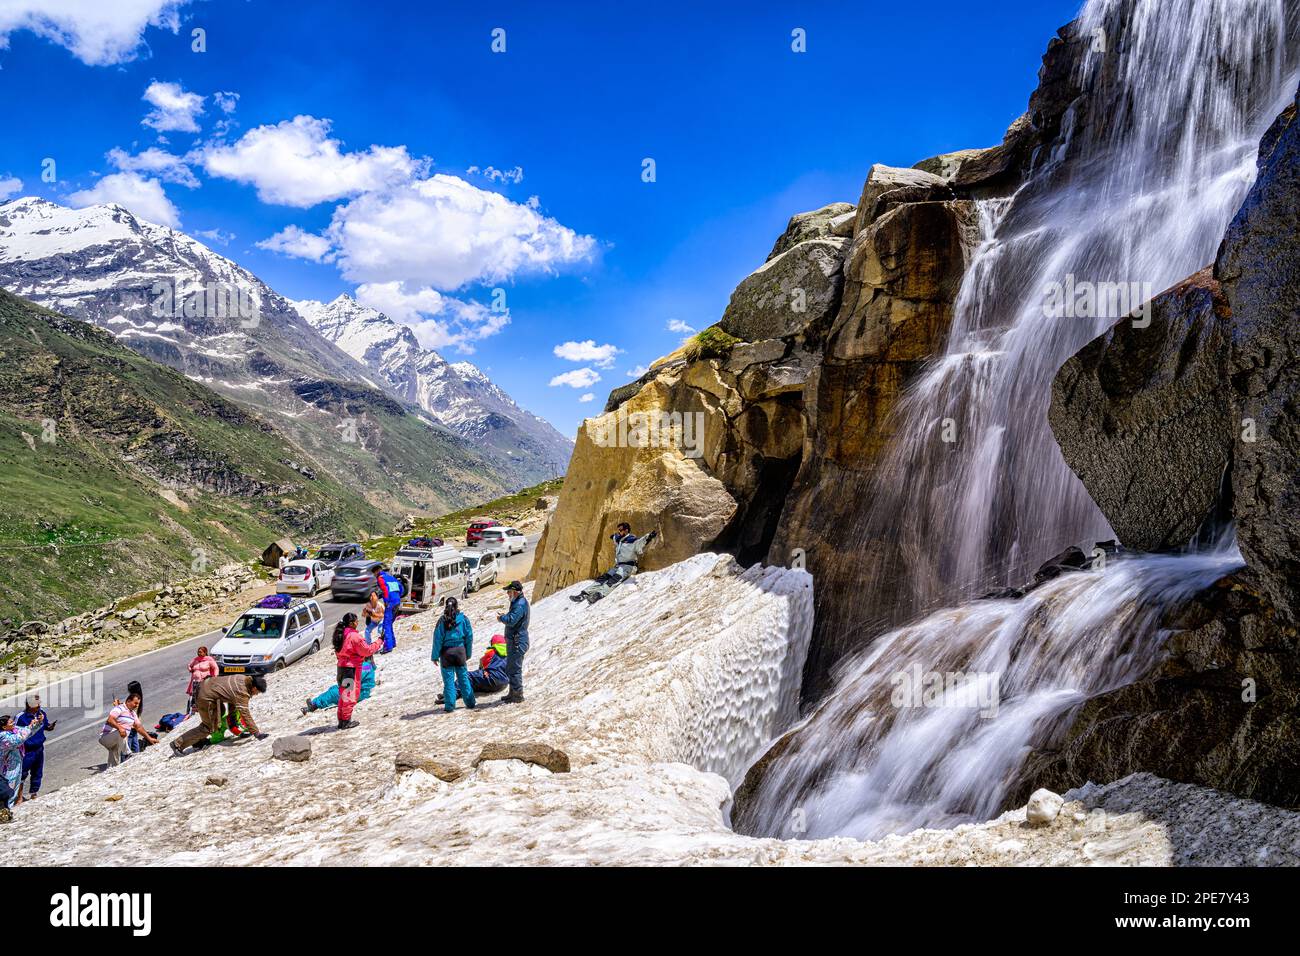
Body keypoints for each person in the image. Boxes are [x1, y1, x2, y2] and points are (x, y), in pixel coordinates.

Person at [171, 675, 267, 754]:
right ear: (254, 687)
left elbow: (232, 700)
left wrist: (232, 718)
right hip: (205, 697)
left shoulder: (242, 678)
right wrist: (257, 733)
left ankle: (197, 741)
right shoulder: (242, 692)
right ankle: (177, 744)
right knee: (208, 727)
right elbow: (245, 713)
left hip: (207, 688)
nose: (256, 694)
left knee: (220, 712)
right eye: (257, 692)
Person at [571, 524, 658, 605]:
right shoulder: (619, 539)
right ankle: (584, 594)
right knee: (603, 578)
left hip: (628, 567)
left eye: (621, 530)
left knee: (615, 579)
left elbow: (642, 541)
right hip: (618, 566)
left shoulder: (632, 540)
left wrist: (649, 536)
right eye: (618, 530)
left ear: (626, 530)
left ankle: (598, 594)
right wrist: (613, 536)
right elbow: (615, 537)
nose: (619, 532)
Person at [332, 613, 380, 730]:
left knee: (343, 695)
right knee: (349, 696)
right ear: (352, 623)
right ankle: (346, 721)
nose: (358, 623)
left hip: (341, 668)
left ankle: (342, 720)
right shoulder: (354, 636)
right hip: (350, 669)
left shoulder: (341, 634)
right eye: (356, 621)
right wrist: (379, 641)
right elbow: (367, 650)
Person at [436, 634, 507, 705]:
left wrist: (482, 667)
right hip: (503, 683)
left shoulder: (492, 651)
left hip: (492, 679)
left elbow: (483, 664)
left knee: (466, 676)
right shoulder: (508, 653)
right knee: (473, 682)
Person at [432, 597, 475, 713]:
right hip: (460, 652)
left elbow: (437, 639)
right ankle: (470, 702)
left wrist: (435, 656)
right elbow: (469, 636)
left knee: (449, 681)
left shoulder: (442, 621)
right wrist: (468, 653)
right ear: (457, 606)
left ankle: (450, 705)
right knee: (463, 678)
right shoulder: (464, 619)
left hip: (446, 653)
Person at [14, 695, 55, 803]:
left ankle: (34, 794)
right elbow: (15, 733)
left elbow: (45, 725)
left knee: (37, 772)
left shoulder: (41, 713)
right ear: (30, 705)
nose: (39, 706)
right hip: (27, 750)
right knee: (22, 773)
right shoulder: (20, 717)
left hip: (39, 748)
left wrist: (49, 727)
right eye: (37, 704)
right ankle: (19, 797)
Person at [99, 693, 156, 768]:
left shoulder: (133, 714)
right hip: (106, 737)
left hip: (117, 741)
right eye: (135, 703)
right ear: (128, 701)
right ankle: (127, 754)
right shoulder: (119, 708)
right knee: (122, 731)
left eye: (138, 704)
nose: (137, 705)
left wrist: (149, 738)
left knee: (113, 766)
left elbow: (138, 727)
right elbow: (110, 720)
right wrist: (120, 728)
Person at [302, 658, 376, 715]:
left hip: (359, 693)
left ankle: (314, 706)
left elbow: (354, 678)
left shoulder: (366, 666)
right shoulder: (366, 665)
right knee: (333, 688)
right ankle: (314, 704)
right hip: (359, 691)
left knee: (333, 693)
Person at [0, 712, 43, 809]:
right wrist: (29, 727)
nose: (14, 724)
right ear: (4, 727)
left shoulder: (13, 730)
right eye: (11, 723)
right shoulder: (3, 737)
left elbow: (27, 731)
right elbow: (18, 739)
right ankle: (6, 810)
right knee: (8, 791)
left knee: (14, 789)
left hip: (15, 764)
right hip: (7, 768)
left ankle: (8, 810)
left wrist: (37, 723)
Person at [497, 581, 530, 704]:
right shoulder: (517, 602)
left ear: (515, 592)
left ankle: (517, 695)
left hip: (517, 641)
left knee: (515, 668)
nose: (507, 594)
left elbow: (511, 620)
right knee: (511, 668)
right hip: (515, 640)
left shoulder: (519, 605)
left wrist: (501, 618)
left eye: (509, 591)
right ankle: (512, 693)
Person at [375, 566, 403, 653]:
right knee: (389, 623)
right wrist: (397, 596)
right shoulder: (391, 577)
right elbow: (401, 588)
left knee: (386, 624)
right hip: (397, 601)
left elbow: (384, 589)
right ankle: (393, 642)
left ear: (377, 571)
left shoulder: (380, 578)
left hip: (390, 602)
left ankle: (388, 647)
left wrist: (386, 601)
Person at [187, 646, 219, 714]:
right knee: (194, 695)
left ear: (205, 652)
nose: (199, 653)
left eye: (200, 652)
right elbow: (189, 665)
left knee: (203, 695)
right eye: (198, 652)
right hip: (195, 681)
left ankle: (205, 708)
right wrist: (190, 669)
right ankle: (193, 710)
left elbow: (216, 668)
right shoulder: (195, 659)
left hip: (204, 681)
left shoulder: (209, 659)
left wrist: (215, 676)